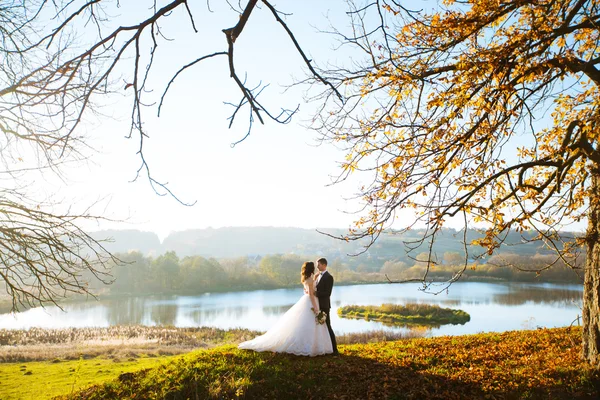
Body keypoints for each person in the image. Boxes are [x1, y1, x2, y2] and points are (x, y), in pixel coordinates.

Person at [238, 261, 333, 356]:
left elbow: (308, 290)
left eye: (318, 265)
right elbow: (311, 295)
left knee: (306, 324)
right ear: (311, 269)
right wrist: (316, 308)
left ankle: (314, 345)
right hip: (311, 302)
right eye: (315, 266)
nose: (316, 267)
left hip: (308, 300)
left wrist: (315, 279)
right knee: (310, 324)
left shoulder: (307, 279)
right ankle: (312, 346)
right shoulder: (310, 280)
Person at [314, 257, 339, 355]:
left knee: (328, 326)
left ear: (324, 265)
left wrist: (316, 293)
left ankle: (335, 349)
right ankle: (324, 347)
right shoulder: (318, 275)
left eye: (319, 264)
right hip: (317, 305)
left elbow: (328, 293)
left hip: (324, 306)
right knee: (319, 327)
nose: (317, 266)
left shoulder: (329, 277)